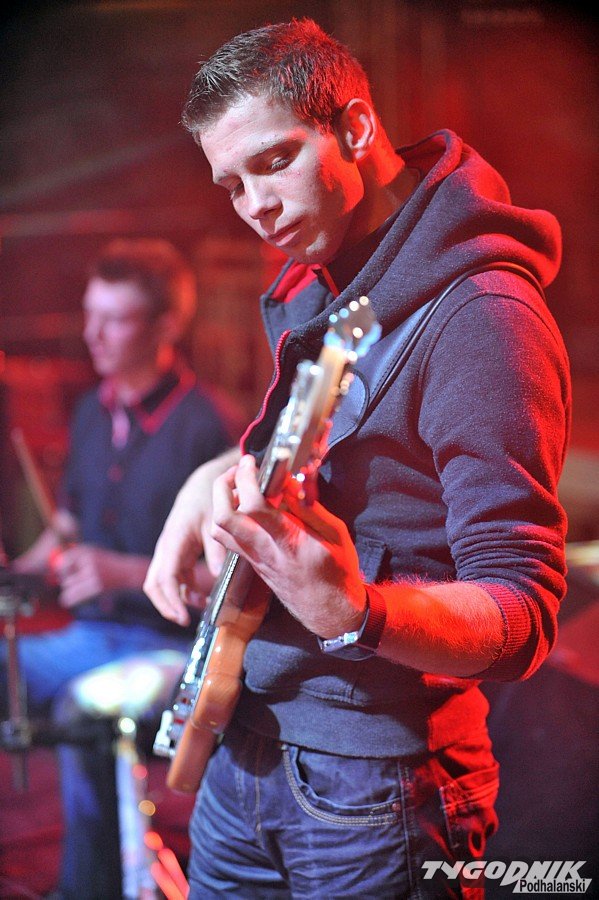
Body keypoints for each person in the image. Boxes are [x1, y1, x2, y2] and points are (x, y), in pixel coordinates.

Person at [143, 19, 571, 899]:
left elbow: (522, 612)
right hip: (245, 747)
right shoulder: (321, 279)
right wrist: (207, 477)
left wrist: (358, 610)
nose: (253, 205)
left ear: (356, 127)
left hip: (376, 788)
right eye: (231, 184)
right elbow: (337, 452)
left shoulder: (481, 317)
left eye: (272, 162)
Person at [0, 238, 243, 898]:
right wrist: (17, 572)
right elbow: (68, 526)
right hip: (90, 636)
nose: (92, 333)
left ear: (166, 326)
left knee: (85, 708)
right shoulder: (92, 410)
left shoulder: (212, 428)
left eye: (115, 319)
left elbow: (233, 586)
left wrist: (119, 573)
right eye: (90, 314)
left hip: (169, 644)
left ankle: (90, 888)